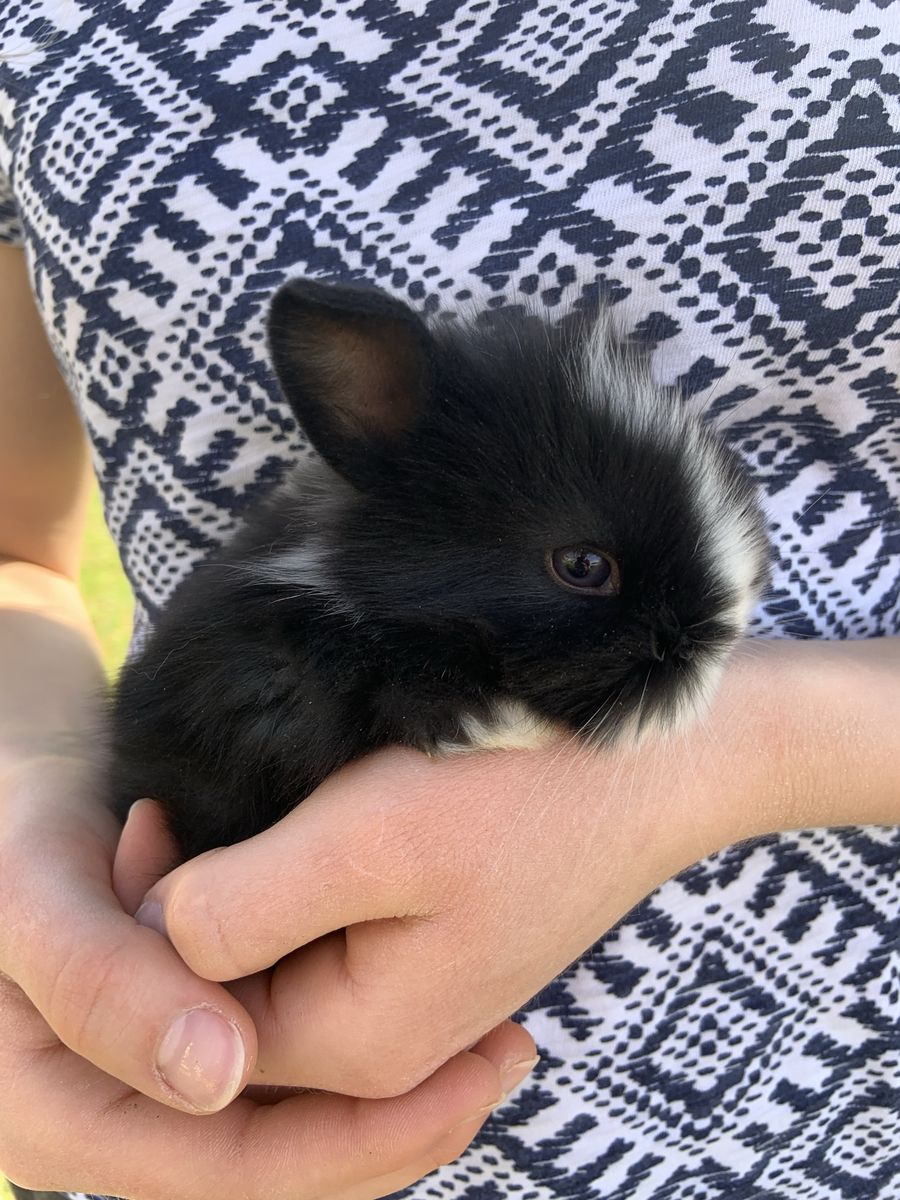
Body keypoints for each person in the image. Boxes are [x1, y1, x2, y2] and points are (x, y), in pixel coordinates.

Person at [0, 2, 897, 1198]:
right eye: (586, 573)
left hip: (829, 1116)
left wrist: (741, 756)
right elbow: (16, 544)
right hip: (162, 1112)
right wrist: (23, 839)